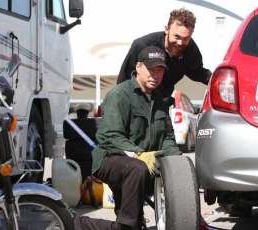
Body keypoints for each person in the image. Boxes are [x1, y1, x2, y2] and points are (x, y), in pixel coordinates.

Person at [74, 46, 181, 230]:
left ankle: (79, 224)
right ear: (138, 67)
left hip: (138, 167)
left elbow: (167, 138)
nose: (155, 75)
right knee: (136, 169)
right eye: (151, 69)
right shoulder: (119, 95)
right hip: (110, 159)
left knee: (134, 224)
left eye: (160, 70)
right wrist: (140, 155)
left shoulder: (160, 101)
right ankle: (106, 224)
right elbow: (111, 136)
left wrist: (177, 161)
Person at [117, 8, 212, 106]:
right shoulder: (143, 45)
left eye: (186, 38)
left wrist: (220, 82)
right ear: (166, 29)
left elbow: (198, 72)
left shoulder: (190, 49)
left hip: (162, 103)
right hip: (136, 102)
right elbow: (124, 78)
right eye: (176, 36)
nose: (180, 43)